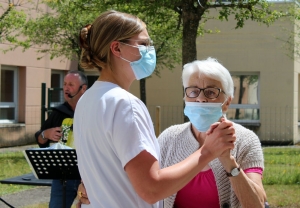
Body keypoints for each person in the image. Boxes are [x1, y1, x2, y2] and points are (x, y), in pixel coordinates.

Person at [74, 10, 236, 208]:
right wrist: (208, 151)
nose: (150, 50)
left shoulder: (87, 100)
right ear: (116, 48)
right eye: (142, 44)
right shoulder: (125, 105)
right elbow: (151, 189)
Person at [76, 58, 268, 208]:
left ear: (227, 101)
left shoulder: (245, 141)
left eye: (210, 92)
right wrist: (94, 184)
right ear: (184, 96)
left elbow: (257, 204)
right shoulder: (170, 138)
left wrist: (228, 161)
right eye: (193, 91)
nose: (200, 99)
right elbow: (141, 178)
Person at [35, 70, 88, 208]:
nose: (66, 88)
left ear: (83, 88)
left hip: (89, 175)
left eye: (71, 84)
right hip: (63, 176)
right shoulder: (59, 112)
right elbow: (40, 139)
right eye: (64, 84)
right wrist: (46, 134)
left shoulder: (93, 110)